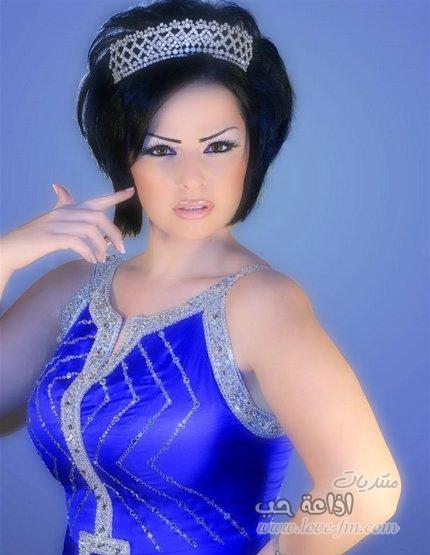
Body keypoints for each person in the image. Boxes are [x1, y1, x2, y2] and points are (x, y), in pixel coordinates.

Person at [0, 0, 402, 554]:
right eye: (161, 150)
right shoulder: (71, 289)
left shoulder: (261, 304)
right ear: (124, 159)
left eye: (218, 146)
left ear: (252, 152)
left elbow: (366, 489)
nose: (192, 178)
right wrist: (4, 257)